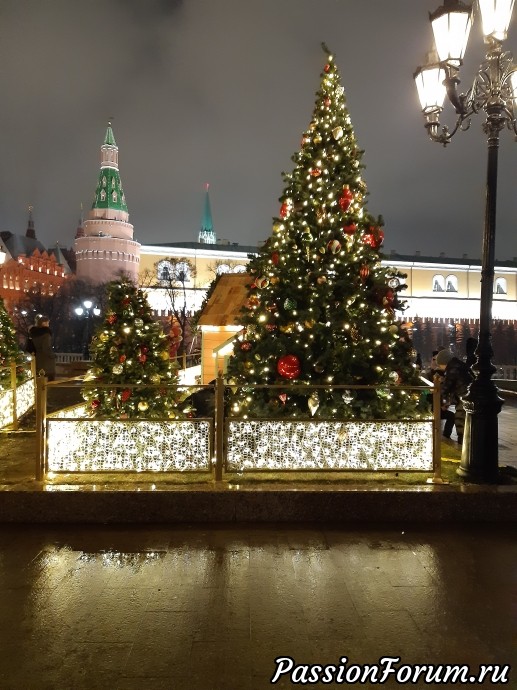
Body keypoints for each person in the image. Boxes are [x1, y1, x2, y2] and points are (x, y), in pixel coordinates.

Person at [435, 348, 473, 444]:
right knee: (466, 417)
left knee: (460, 417)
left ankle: (462, 440)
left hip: (464, 396)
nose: (440, 367)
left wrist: (442, 401)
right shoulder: (459, 365)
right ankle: (466, 438)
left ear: (444, 362)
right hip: (469, 394)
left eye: (440, 364)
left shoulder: (452, 369)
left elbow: (446, 387)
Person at [28, 315, 56, 381]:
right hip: (45, 359)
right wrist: (53, 355)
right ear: (43, 323)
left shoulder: (33, 333)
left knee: (38, 377)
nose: (48, 325)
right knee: (48, 378)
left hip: (36, 357)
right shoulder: (46, 334)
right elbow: (46, 347)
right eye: (47, 323)